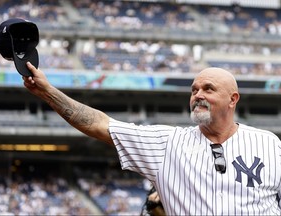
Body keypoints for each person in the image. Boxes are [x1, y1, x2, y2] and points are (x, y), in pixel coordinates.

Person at [23, 62, 281, 215]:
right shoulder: (166, 143)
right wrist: (47, 92)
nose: (197, 95)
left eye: (208, 89)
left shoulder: (269, 144)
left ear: (232, 99)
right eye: (194, 90)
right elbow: (99, 124)